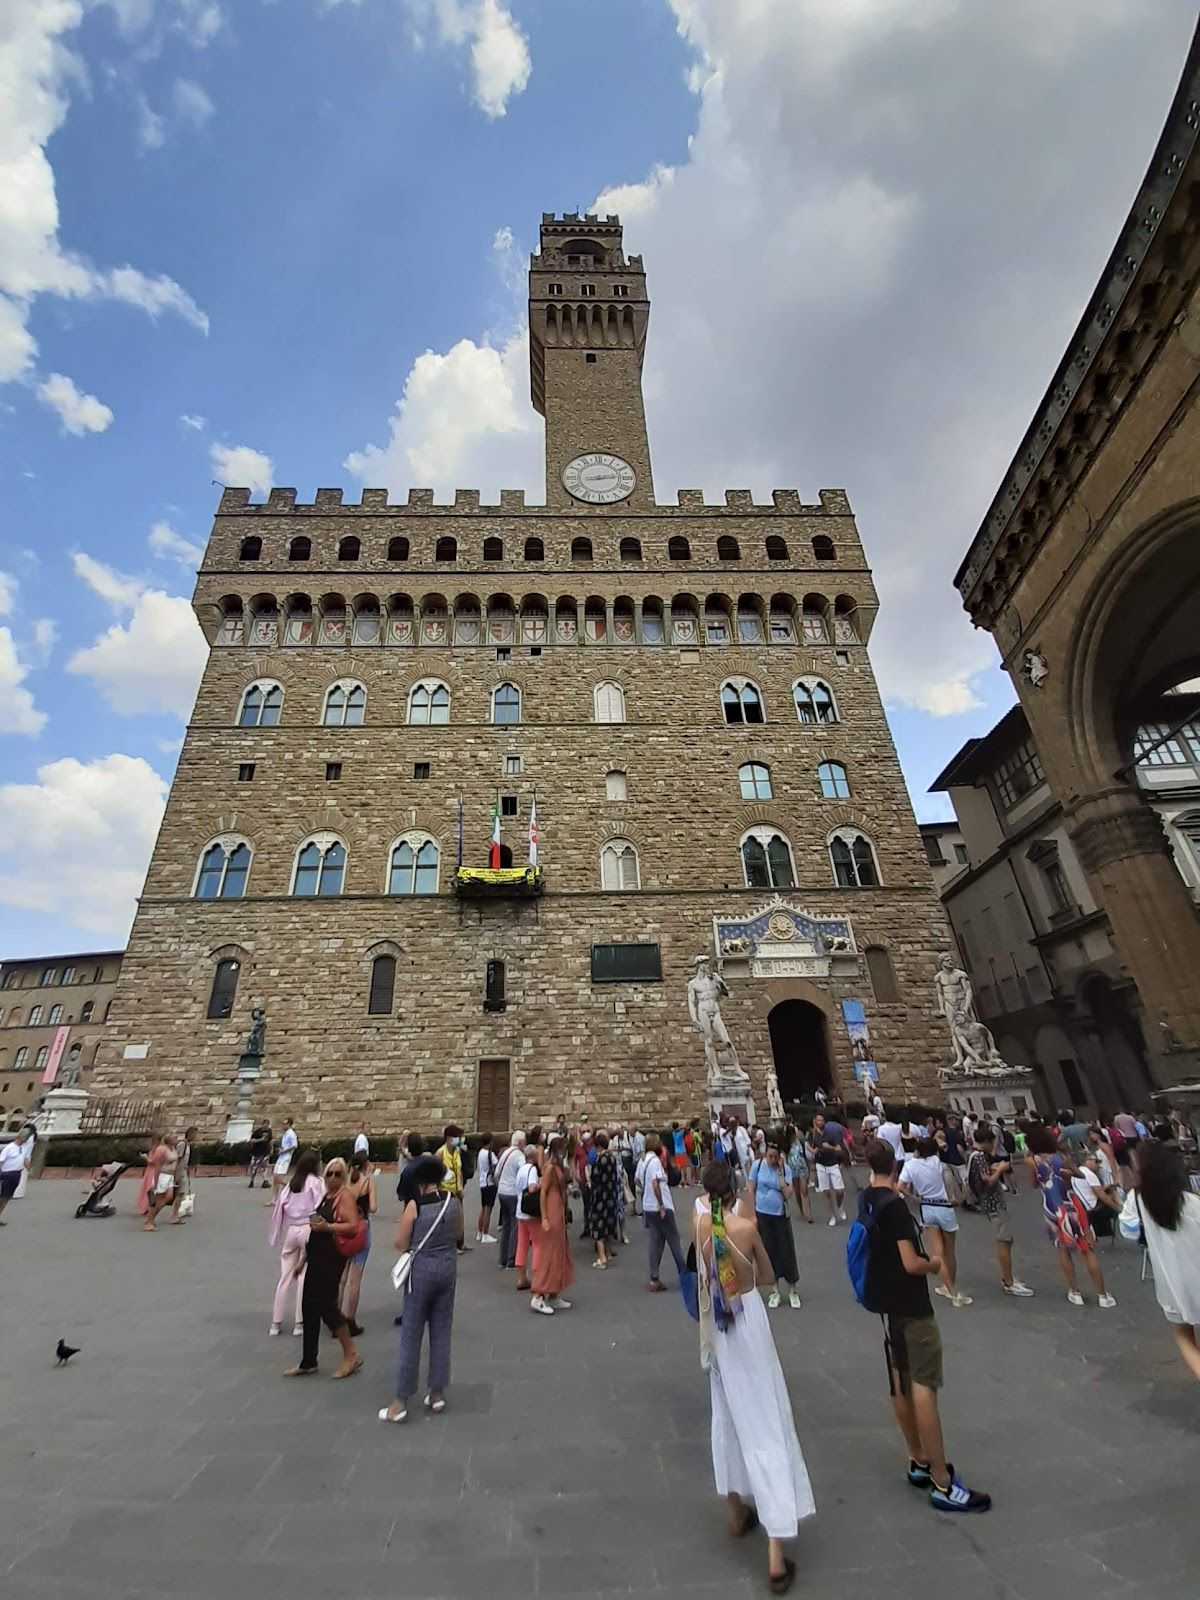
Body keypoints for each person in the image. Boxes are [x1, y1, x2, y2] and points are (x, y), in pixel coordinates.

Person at [692, 1159, 815, 1592]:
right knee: (767, 1421)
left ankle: (734, 1510)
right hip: (747, 1323)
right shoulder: (744, 1229)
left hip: (719, 1332)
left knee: (726, 1414)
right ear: (735, 1188)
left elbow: (702, 1263)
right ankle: (776, 1555)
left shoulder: (701, 1223)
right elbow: (763, 1276)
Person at [861, 1141, 991, 1514]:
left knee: (899, 1381)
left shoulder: (867, 1198)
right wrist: (935, 1263)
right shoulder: (896, 1207)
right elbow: (910, 1263)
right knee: (924, 1388)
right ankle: (943, 1482)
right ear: (896, 1165)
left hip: (887, 1306)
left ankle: (917, 1459)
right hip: (913, 1305)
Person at [379, 1155, 463, 1421]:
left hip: (421, 1272)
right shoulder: (454, 1202)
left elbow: (400, 1244)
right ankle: (437, 1393)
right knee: (441, 1332)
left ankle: (400, 1402)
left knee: (411, 1335)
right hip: (448, 1269)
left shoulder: (414, 1206)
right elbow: (458, 1235)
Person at [1119, 1140, 1200, 1382]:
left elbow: (1128, 1230)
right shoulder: (1191, 1202)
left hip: (1171, 1281)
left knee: (1184, 1336)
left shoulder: (1137, 1200)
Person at [283, 1156, 362, 1379]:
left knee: (328, 1307)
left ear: (344, 1176)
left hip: (331, 1258)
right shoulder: (327, 1196)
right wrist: (303, 1260)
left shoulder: (344, 1196)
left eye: (338, 1174)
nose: (333, 1178)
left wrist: (328, 1226)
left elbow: (353, 1226)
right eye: (330, 1173)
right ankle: (308, 1360)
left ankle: (351, 1354)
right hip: (315, 1256)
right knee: (308, 1306)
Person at [1024, 1125, 1116, 1308]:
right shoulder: (1063, 1157)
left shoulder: (1032, 1161)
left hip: (1052, 1208)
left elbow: (1034, 1184)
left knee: (1063, 1250)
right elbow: (1080, 1174)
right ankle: (1102, 1295)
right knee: (1087, 1249)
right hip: (1072, 1204)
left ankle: (1075, 1292)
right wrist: (1066, 1174)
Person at [899, 1137, 971, 1308]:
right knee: (950, 1251)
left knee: (937, 1252)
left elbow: (900, 1186)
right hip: (944, 1207)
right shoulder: (938, 1162)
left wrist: (914, 1197)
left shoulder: (910, 1165)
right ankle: (951, 1288)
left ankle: (948, 1288)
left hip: (927, 1207)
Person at [966, 1127, 1033, 1297]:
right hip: (993, 1202)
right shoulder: (980, 1157)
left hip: (990, 1202)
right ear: (988, 1142)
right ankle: (1008, 1281)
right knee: (1004, 1240)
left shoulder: (975, 1156)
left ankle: (1009, 1277)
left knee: (1006, 1239)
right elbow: (986, 1180)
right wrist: (1001, 1170)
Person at [268, 1149, 323, 1336]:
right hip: (307, 1228)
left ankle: (276, 1322)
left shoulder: (292, 1184)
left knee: (285, 1277)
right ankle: (299, 1322)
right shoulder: (315, 1183)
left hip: (291, 1230)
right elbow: (320, 1207)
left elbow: (278, 1209)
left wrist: (275, 1234)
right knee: (303, 1277)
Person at [747, 1136, 801, 1309]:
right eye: (769, 1156)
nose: (772, 1160)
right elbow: (751, 1188)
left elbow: (788, 1194)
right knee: (769, 1251)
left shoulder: (785, 1169)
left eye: (775, 1157)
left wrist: (780, 1176)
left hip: (779, 1215)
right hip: (763, 1213)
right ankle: (775, 1290)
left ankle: (792, 1289)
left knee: (786, 1250)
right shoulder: (757, 1166)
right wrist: (752, 1212)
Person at [532, 1136, 575, 1314]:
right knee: (550, 1253)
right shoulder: (550, 1168)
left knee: (559, 1251)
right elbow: (543, 1194)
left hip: (558, 1210)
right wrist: (544, 1218)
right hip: (552, 1210)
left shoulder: (558, 1167)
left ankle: (553, 1292)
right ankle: (539, 1295)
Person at [642, 1133, 687, 1291]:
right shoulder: (654, 1161)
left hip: (648, 1206)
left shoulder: (643, 1161)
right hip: (660, 1206)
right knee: (674, 1240)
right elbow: (655, 1184)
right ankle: (685, 1275)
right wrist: (661, 1205)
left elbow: (638, 1180)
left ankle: (654, 1278)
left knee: (656, 1241)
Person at [340, 1150, 377, 1337]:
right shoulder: (368, 1182)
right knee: (356, 1280)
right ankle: (351, 1320)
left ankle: (335, 1319)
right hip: (362, 1230)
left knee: (341, 1278)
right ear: (365, 1165)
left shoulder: (346, 1184)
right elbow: (373, 1207)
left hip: (345, 1228)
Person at [514, 1137, 543, 1292]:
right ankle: (537, 1278)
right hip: (530, 1212)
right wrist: (541, 1183)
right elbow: (532, 1188)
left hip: (520, 1211)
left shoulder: (521, 1169)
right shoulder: (532, 1170)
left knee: (522, 1244)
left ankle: (521, 1277)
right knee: (537, 1244)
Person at [588, 1131, 621, 1269]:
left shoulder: (598, 1159)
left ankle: (602, 1258)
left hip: (600, 1196)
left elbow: (594, 1177)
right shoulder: (612, 1158)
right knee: (609, 1224)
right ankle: (608, 1254)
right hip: (611, 1195)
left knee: (599, 1227)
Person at [434, 1125, 468, 1253]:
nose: (459, 1140)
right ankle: (451, 1245)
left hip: (457, 1190)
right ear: (449, 1138)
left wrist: (460, 1186)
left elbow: (459, 1170)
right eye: (456, 1137)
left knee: (459, 1217)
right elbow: (435, 1174)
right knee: (449, 1219)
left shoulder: (457, 1151)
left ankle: (461, 1243)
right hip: (445, 1191)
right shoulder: (440, 1153)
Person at [494, 1131, 526, 1268]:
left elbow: (496, 1173)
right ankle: (511, 1259)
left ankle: (502, 1258)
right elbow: (523, 1172)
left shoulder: (505, 1153)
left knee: (506, 1225)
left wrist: (501, 1186)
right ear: (520, 1142)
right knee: (514, 1226)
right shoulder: (519, 1155)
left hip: (502, 1192)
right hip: (513, 1193)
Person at [137, 1132, 180, 1232]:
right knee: (157, 1198)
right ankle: (149, 1222)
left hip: (170, 1176)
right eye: (174, 1137)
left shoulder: (174, 1149)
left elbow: (176, 1163)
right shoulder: (162, 1149)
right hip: (162, 1175)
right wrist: (155, 1182)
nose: (177, 1138)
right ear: (168, 1139)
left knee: (169, 1197)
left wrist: (176, 1176)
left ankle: (151, 1217)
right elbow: (157, 1165)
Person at [812, 1116, 848, 1227]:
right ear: (815, 1121)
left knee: (840, 1191)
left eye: (822, 1120)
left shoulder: (830, 1133)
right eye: (818, 1120)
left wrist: (829, 1147)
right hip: (820, 1164)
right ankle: (831, 1215)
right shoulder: (813, 1134)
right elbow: (808, 1146)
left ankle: (839, 1206)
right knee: (826, 1192)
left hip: (832, 1163)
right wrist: (813, 1151)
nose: (820, 1122)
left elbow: (839, 1149)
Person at [0, 1123, 37, 1224]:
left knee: (7, 1197)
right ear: (20, 1137)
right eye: (26, 1138)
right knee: (2, 1197)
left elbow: (25, 1160)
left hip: (16, 1174)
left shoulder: (23, 1148)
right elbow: (1, 1162)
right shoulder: (9, 1148)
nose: (26, 1140)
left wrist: (29, 1169)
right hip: (6, 1174)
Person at [170, 1126, 199, 1224]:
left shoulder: (187, 1145)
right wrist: (177, 1174)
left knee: (180, 1194)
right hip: (179, 1171)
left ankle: (176, 1214)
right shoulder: (183, 1144)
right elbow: (177, 1159)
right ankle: (174, 1215)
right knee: (179, 1194)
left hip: (183, 1170)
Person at [474, 1131, 499, 1244]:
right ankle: (485, 1233)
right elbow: (495, 1166)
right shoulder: (490, 1154)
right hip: (490, 1183)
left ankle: (479, 1232)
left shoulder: (480, 1153)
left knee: (483, 1208)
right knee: (488, 1209)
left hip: (482, 1182)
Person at [785, 1121, 811, 1225]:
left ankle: (808, 1214)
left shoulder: (800, 1141)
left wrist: (808, 1167)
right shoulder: (786, 1144)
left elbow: (805, 1155)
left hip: (802, 1167)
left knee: (804, 1190)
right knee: (797, 1191)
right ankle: (802, 1210)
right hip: (792, 1169)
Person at [272, 1117, 298, 1204]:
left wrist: (284, 1150)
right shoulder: (286, 1133)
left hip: (286, 1158)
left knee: (279, 1178)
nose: (284, 1125)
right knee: (275, 1177)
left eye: (286, 1123)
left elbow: (294, 1145)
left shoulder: (291, 1134)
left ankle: (291, 1188)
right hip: (281, 1157)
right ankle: (274, 1199)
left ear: (289, 1124)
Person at [248, 1121, 272, 1188]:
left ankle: (265, 1181)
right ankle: (252, 1181)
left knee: (264, 1167)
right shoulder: (257, 1132)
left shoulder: (269, 1131)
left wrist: (271, 1149)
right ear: (262, 1124)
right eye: (265, 1125)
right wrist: (260, 1139)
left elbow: (270, 1140)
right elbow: (252, 1141)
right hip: (257, 1152)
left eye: (267, 1125)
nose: (266, 1126)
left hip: (265, 1152)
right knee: (254, 1167)